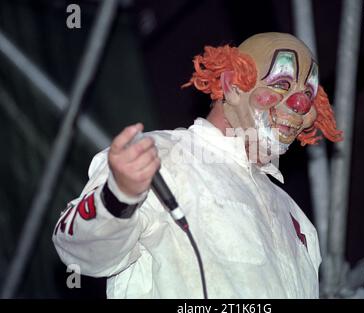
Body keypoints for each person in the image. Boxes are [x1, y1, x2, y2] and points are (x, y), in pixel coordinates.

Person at [53, 32, 342, 298]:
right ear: (231, 85)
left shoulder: (297, 219)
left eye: (308, 94)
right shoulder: (161, 157)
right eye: (281, 84)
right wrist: (119, 196)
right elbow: (80, 251)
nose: (301, 105)